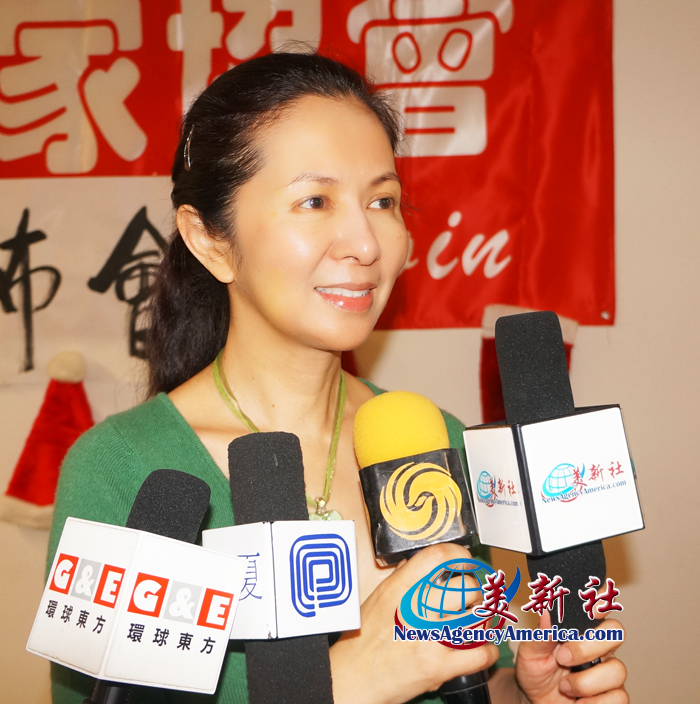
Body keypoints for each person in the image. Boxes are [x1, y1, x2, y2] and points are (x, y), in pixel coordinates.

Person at [48, 52, 627, 704]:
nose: (367, 243)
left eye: (383, 200)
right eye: (315, 201)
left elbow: (457, 677)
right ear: (209, 239)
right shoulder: (121, 469)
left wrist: (524, 693)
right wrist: (347, 683)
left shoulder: (436, 441)